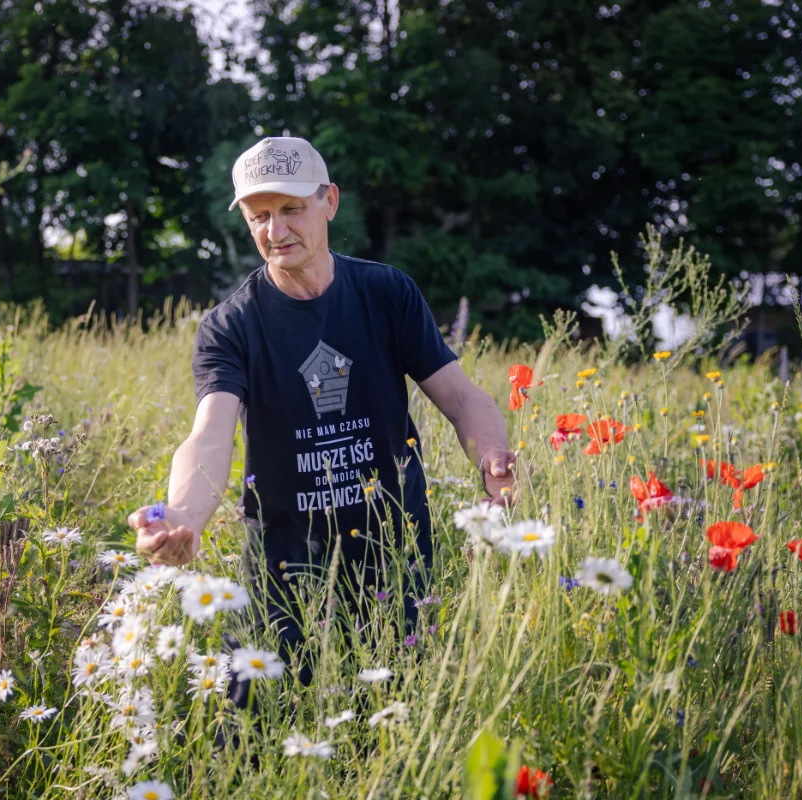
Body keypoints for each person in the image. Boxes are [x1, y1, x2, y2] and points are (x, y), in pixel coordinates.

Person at [127, 135, 520, 708]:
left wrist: (493, 457)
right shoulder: (230, 326)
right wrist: (183, 515)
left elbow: (460, 399)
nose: (276, 230)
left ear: (329, 201)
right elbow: (209, 434)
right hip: (285, 573)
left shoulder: (386, 293)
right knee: (253, 731)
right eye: (259, 216)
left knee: (392, 727)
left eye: (291, 208)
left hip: (394, 562)